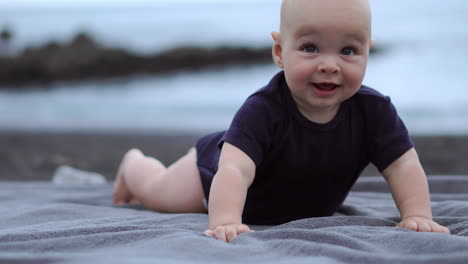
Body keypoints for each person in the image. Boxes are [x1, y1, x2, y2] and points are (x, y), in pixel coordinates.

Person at [113, 0, 451, 242]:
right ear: (279, 51)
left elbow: (402, 166)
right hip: (213, 175)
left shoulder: (374, 112)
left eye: (348, 51)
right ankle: (134, 165)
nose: (330, 64)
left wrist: (417, 214)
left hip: (295, 200)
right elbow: (234, 171)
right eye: (310, 48)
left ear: (367, 51)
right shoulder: (263, 109)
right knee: (161, 196)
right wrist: (226, 221)